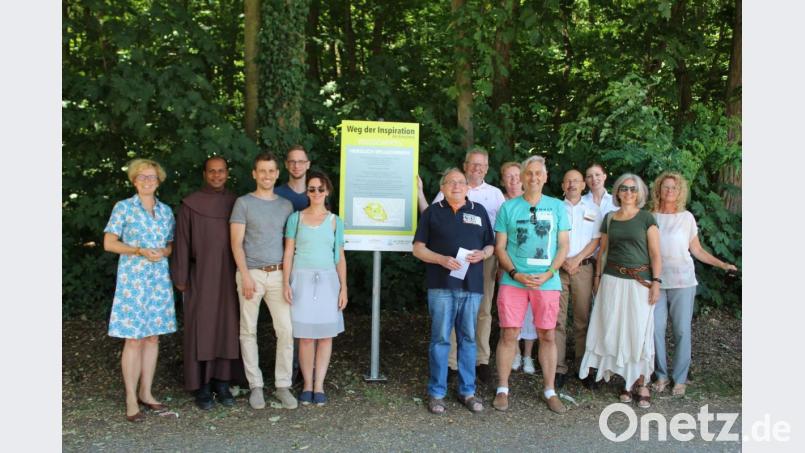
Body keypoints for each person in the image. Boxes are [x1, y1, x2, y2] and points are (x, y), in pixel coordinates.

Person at [413, 168, 495, 414]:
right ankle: (437, 392)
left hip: (471, 288)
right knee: (440, 339)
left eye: (461, 182)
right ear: (442, 188)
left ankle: (467, 391)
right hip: (441, 287)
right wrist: (440, 259)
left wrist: (484, 253)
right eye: (451, 183)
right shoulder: (431, 213)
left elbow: (490, 244)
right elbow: (418, 249)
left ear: (468, 187)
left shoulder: (478, 211)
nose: (456, 186)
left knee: (468, 340)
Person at [650, 171, 737, 397]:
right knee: (655, 329)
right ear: (658, 189)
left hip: (683, 281)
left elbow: (696, 250)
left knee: (681, 330)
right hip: (656, 281)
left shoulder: (686, 217)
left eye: (674, 188)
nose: (669, 191)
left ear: (680, 192)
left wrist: (722, 264)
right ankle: (660, 375)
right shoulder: (649, 216)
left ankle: (680, 378)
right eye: (666, 187)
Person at [493, 156, 570, 414]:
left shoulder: (558, 207)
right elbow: (500, 248)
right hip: (514, 281)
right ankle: (502, 388)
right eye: (529, 173)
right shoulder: (509, 208)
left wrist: (549, 274)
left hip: (547, 282)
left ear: (546, 177)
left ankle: (550, 390)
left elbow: (563, 246)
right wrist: (514, 273)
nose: (534, 177)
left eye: (539, 173)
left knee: (548, 335)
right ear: (522, 177)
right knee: (508, 334)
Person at [103, 158, 177, 422]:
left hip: (157, 280)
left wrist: (163, 252)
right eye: (142, 177)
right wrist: (138, 250)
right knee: (133, 339)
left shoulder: (166, 211)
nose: (147, 181)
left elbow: (170, 245)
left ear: (159, 181)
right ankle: (130, 398)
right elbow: (109, 243)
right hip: (133, 281)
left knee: (153, 337)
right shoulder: (123, 208)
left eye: (152, 177)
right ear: (134, 180)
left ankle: (146, 391)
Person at [579, 173, 661, 409]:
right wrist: (597, 277)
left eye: (633, 189)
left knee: (638, 331)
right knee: (615, 330)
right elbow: (603, 252)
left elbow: (656, 254)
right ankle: (626, 381)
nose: (628, 193)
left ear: (640, 193)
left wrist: (656, 281)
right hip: (612, 280)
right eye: (624, 188)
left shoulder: (647, 218)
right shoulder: (610, 218)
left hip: (640, 282)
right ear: (617, 192)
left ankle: (642, 382)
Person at [171, 156, 244, 410]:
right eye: (212, 171)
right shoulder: (190, 205)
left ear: (227, 173)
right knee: (201, 328)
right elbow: (181, 241)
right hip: (199, 275)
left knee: (227, 327)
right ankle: (201, 386)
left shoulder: (236, 203)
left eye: (221, 171)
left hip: (230, 275)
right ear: (204, 173)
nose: (216, 176)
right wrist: (180, 277)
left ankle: (222, 383)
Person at [431, 148, 505, 385]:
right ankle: (452, 362)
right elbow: (431, 217)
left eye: (481, 165)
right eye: (473, 164)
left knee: (482, 310)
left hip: (484, 258)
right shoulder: (452, 186)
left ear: (487, 167)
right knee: (451, 308)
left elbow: (503, 230)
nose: (477, 168)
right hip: (452, 260)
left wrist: (494, 256)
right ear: (465, 166)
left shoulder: (495, 195)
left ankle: (481, 360)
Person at [230, 152, 297, 410]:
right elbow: (236, 244)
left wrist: (287, 279)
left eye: (271, 171)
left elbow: (288, 245)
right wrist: (245, 275)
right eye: (262, 171)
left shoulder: (285, 206)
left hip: (279, 274)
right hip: (251, 274)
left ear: (277, 174)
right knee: (248, 330)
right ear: (254, 174)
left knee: (286, 331)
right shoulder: (243, 203)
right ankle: (255, 385)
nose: (267, 175)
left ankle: (282, 385)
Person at [282, 170, 347, 406]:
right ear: (306, 192)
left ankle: (319, 384)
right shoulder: (295, 219)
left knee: (326, 336)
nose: (316, 192)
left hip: (328, 282)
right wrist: (286, 283)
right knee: (306, 337)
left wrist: (343, 288)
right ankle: (307, 384)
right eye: (311, 189)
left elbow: (339, 257)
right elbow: (288, 253)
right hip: (301, 280)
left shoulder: (335, 221)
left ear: (327, 191)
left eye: (320, 188)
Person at [554, 169, 602, 389]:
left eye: (576, 181)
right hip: (558, 269)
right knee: (557, 321)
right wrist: (563, 260)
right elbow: (548, 237)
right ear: (563, 185)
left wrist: (577, 259)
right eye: (568, 181)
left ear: (583, 185)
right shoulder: (554, 208)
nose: (572, 184)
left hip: (583, 269)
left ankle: (584, 368)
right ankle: (558, 368)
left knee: (582, 320)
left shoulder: (593, 209)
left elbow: (596, 241)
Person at [500, 162, 537, 375]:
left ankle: (528, 355)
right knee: (510, 312)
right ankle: (513, 351)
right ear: (503, 180)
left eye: (516, 176)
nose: (513, 180)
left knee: (531, 312)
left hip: (531, 266)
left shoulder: (535, 202)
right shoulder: (501, 201)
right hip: (505, 265)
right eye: (508, 177)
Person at [275, 144, 311, 211]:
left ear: (308, 165)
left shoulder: (317, 195)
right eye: (292, 161)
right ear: (286, 164)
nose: (296, 166)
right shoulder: (275, 194)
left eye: (301, 161)